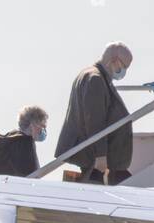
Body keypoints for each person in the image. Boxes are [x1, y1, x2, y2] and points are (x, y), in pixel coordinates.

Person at [54, 43, 134, 184]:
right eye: (124, 66)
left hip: (95, 156)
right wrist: (100, 156)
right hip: (95, 158)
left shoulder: (94, 76)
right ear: (114, 60)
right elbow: (95, 120)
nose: (124, 71)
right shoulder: (95, 79)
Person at [0, 106, 46, 177]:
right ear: (32, 125)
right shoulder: (25, 143)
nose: (43, 131)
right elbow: (31, 176)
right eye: (42, 126)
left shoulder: (9, 138)